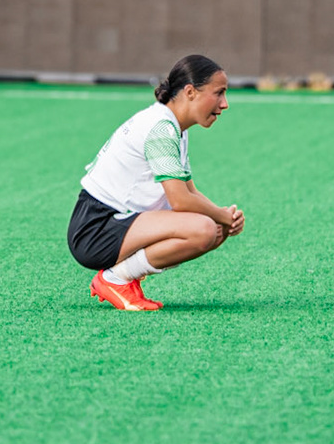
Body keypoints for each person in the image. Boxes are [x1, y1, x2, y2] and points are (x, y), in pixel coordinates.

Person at [68, 53, 246, 311]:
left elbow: (189, 191)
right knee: (205, 229)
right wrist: (220, 215)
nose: (225, 103)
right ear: (190, 92)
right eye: (218, 93)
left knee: (215, 229)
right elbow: (181, 200)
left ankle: (121, 278)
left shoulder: (174, 127)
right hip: (95, 228)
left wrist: (224, 217)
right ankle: (115, 279)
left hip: (113, 221)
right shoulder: (161, 129)